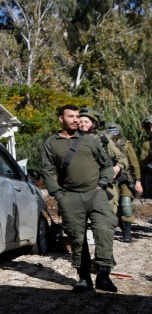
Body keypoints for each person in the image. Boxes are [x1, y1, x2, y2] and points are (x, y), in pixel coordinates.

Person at [39, 105, 118, 293]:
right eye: (71, 116)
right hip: (70, 196)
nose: (76, 119)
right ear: (61, 119)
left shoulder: (89, 140)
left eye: (77, 116)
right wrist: (58, 195)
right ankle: (84, 278)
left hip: (95, 193)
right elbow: (46, 171)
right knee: (76, 236)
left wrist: (103, 184)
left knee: (105, 228)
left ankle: (104, 274)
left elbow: (106, 164)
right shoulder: (51, 143)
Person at [107, 121, 143, 241]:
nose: (112, 133)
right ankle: (114, 231)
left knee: (126, 205)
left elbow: (134, 163)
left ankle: (127, 234)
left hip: (125, 178)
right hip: (110, 178)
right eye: (110, 130)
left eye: (114, 131)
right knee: (112, 207)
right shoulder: (103, 143)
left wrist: (138, 180)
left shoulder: (126, 145)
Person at [141, 115, 152, 197]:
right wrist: (150, 156)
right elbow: (142, 162)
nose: (151, 130)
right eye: (149, 127)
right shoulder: (147, 143)